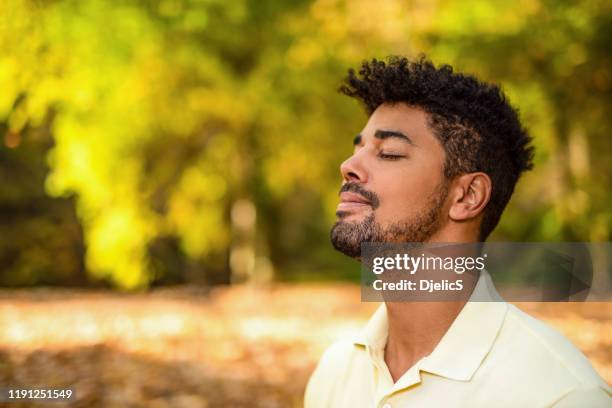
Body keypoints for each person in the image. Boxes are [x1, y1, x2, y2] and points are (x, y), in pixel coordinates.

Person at [304, 56, 611, 407]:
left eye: (388, 152)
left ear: (467, 196)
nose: (348, 166)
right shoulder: (334, 373)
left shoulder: (559, 394)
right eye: (358, 149)